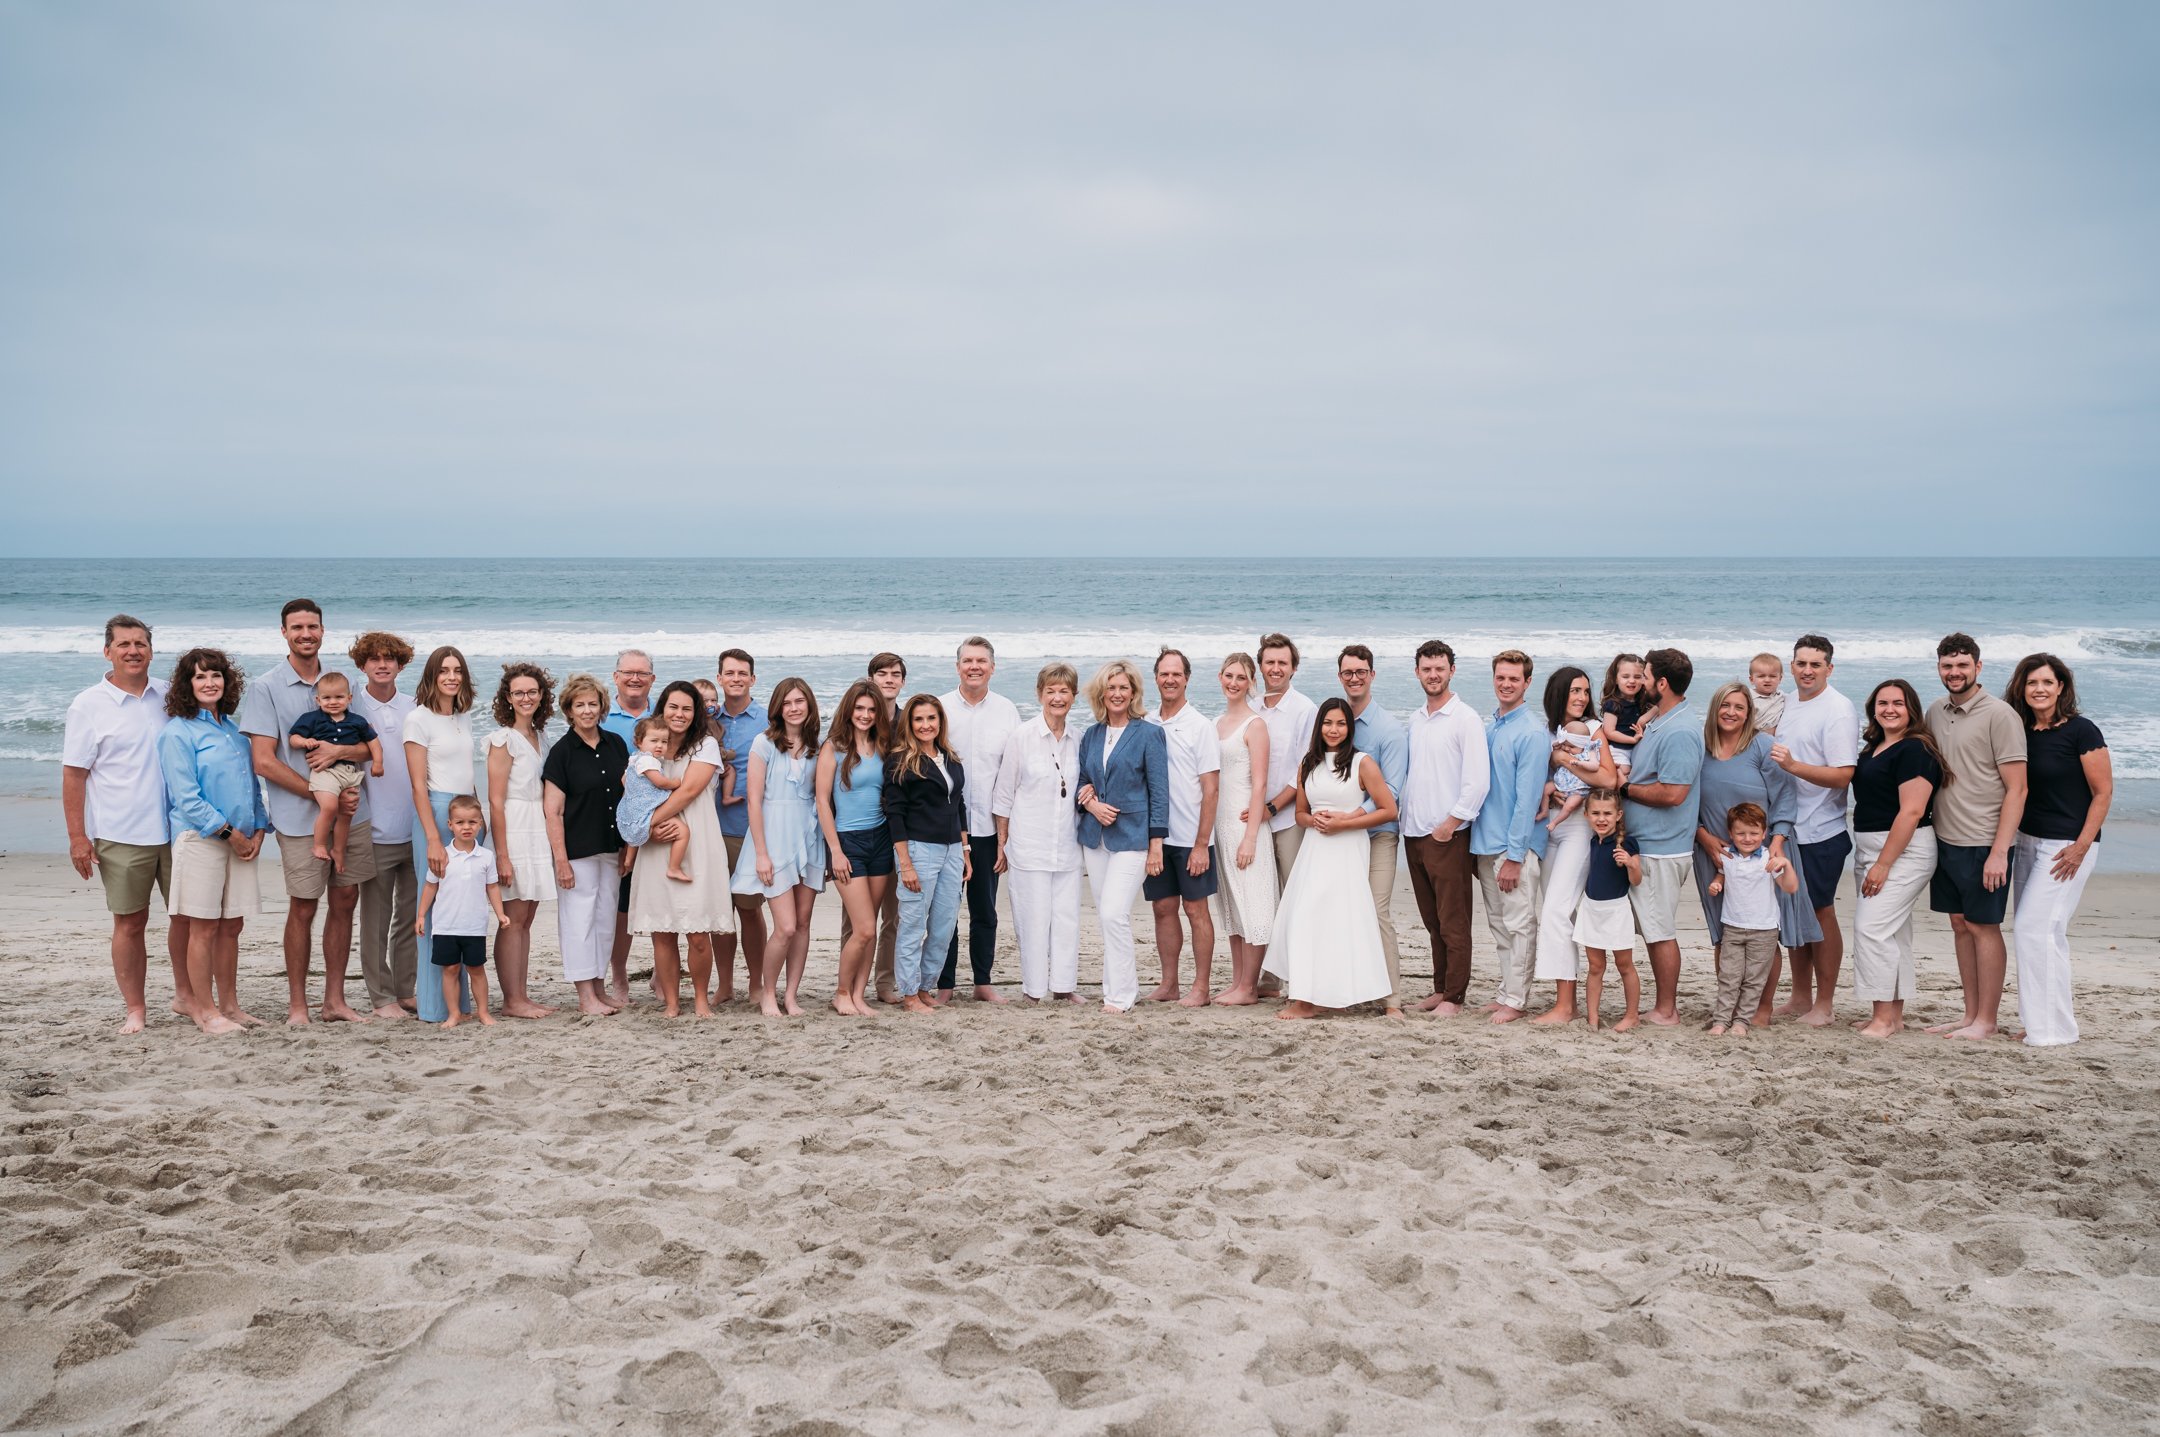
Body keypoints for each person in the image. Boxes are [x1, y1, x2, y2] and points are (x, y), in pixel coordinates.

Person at [237, 599, 375, 1025]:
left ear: (322, 630)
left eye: (312, 626)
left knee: (346, 900)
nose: (305, 634)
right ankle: (298, 1004)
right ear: (284, 633)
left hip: (352, 809)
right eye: (296, 627)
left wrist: (341, 754)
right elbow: (264, 760)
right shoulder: (266, 688)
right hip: (300, 819)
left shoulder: (342, 682)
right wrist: (319, 796)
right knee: (303, 906)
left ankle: (334, 1000)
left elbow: (367, 746)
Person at [62, 614, 189, 1033]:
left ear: (151, 651)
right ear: (107, 652)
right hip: (121, 833)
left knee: (187, 918)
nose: (133, 651)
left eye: (140, 643)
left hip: (177, 829)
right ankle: (136, 1008)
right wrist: (78, 837)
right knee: (130, 922)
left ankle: (185, 996)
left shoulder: (171, 696)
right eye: (124, 644)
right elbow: (75, 774)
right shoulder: (88, 704)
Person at [1693, 680, 1821, 1028]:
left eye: (1739, 707)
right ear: (1714, 708)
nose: (1731, 712)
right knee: (1725, 933)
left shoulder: (1763, 746)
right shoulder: (1700, 748)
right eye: (1725, 705)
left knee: (1766, 933)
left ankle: (1760, 1011)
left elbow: (1785, 796)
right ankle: (1729, 1010)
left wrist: (1777, 843)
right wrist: (1704, 838)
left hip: (1764, 851)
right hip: (1716, 855)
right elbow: (1687, 802)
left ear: (1749, 713)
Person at [1262, 698, 1399, 1019]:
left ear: (1349, 728)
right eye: (1328, 723)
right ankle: (1308, 995)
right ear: (1319, 726)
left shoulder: (1362, 763)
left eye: (1340, 723)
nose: (1333, 729)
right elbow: (1299, 814)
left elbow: (1388, 809)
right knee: (1306, 916)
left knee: (1339, 919)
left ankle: (1320, 998)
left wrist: (1343, 823)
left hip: (1347, 848)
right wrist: (1315, 821)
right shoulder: (1308, 763)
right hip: (1314, 849)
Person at [157, 647, 269, 1034]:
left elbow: (251, 785)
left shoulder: (235, 732)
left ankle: (231, 1006)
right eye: (201, 676)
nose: (210, 683)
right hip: (201, 839)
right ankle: (204, 1011)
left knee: (231, 926)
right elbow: (186, 797)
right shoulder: (177, 731)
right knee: (202, 927)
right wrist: (228, 833)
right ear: (188, 685)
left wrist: (258, 828)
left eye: (216, 675)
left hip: (242, 839)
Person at [1923, 633, 2028, 1040]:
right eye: (1947, 666)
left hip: (1986, 842)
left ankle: (1987, 1019)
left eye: (1962, 666)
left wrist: (2000, 851)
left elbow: (2017, 789)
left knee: (1985, 927)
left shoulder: (2000, 715)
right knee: (1959, 925)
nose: (1954, 673)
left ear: (1978, 668)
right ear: (1939, 669)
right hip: (1945, 838)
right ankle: (1970, 1015)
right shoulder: (1935, 710)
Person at [2006, 653, 2111, 1047]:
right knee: (2041, 934)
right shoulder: (2019, 731)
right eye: (2032, 682)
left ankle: (2052, 1031)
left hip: (2066, 844)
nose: (2039, 689)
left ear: (2061, 687)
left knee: (2036, 930)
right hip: (2027, 840)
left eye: (2047, 682)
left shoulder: (2082, 731)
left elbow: (2103, 793)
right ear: (2022, 688)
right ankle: (2042, 1021)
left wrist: (2081, 847)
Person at [626, 681, 733, 1018]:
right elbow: (629, 787)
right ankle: (672, 1002)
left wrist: (650, 823)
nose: (679, 714)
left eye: (687, 708)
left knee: (699, 932)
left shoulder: (705, 745)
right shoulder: (648, 749)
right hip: (658, 846)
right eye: (673, 707)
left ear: (696, 712)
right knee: (663, 931)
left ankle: (701, 999)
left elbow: (687, 792)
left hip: (696, 840)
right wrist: (649, 831)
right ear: (662, 708)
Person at [1849, 678, 1947, 1039]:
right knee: (1893, 933)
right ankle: (1894, 1015)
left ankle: (1883, 1019)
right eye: (1882, 703)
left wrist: (1883, 864)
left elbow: (1912, 811)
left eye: (1898, 703)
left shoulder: (1915, 750)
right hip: (1870, 847)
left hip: (1905, 850)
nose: (1889, 709)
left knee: (1871, 929)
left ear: (1911, 710)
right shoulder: (1873, 747)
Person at [1768, 635, 1858, 1026]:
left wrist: (1793, 766)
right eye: (1801, 663)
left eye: (1815, 664)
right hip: (1786, 829)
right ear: (1792, 666)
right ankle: (1800, 996)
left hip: (1822, 830)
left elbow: (1842, 776)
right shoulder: (1786, 702)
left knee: (1821, 912)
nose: (1807, 670)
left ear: (1829, 669)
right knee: (1792, 913)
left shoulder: (1839, 709)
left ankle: (1825, 1003)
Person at [1400, 639, 1488, 1015]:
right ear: (1417, 672)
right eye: (1426, 669)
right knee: (1432, 920)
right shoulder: (1416, 719)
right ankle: (1439, 989)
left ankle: (1454, 996)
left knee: (1454, 920)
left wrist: (1450, 824)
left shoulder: (1466, 718)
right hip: (1414, 833)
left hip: (1446, 835)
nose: (1433, 675)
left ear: (1452, 670)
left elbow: (1478, 782)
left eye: (1440, 668)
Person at [1076, 659, 1169, 1013]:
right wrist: (1090, 802)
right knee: (1106, 916)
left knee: (1115, 913)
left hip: (1133, 837)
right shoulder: (1092, 734)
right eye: (1111, 687)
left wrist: (1156, 843)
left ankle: (1122, 995)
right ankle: (1115, 988)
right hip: (1095, 839)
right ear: (1102, 693)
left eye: (1123, 688)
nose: (1117, 693)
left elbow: (1160, 791)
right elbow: (1082, 780)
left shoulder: (1148, 733)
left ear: (1133, 693)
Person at [731, 677, 826, 1016]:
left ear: (809, 705)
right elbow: (753, 802)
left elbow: (823, 798)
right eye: (788, 702)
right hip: (773, 840)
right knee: (784, 926)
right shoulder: (764, 743)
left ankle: (792, 996)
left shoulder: (819, 746)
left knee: (802, 925)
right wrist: (760, 853)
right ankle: (768, 992)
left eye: (800, 701)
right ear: (778, 708)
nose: (794, 707)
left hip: (809, 840)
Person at [994, 663, 1087, 1004]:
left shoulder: (1081, 738)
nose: (1057, 697)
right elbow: (1003, 795)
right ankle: (1033, 990)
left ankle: (1063, 987)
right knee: (1032, 920)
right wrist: (1001, 843)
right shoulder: (1022, 736)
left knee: (1066, 920)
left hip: (1067, 845)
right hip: (1028, 844)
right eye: (1051, 691)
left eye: (1064, 691)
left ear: (1074, 697)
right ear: (1039, 695)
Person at [1622, 648, 1704, 1025]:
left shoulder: (1681, 730)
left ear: (1662, 683)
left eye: (1646, 675)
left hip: (1664, 847)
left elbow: (1674, 794)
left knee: (1659, 930)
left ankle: (1666, 1009)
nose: (1639, 681)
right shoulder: (1662, 718)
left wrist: (1625, 789)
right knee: (1651, 928)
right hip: (1646, 842)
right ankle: (1662, 1006)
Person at [1471, 650, 1554, 1024]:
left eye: (1514, 679)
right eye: (1501, 677)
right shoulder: (1490, 728)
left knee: (1520, 924)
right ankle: (1505, 991)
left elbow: (1526, 800)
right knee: (1499, 925)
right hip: (1486, 842)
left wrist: (1517, 856)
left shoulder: (1532, 733)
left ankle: (1517, 999)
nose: (1506, 684)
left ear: (1528, 683)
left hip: (1513, 847)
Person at [1532, 666, 1618, 1025]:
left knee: (1555, 910)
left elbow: (1609, 778)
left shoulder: (1595, 729)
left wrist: (1564, 759)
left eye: (1585, 691)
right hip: (1550, 828)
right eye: (1574, 691)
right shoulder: (1545, 729)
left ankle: (1565, 1006)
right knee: (1555, 913)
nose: (1581, 697)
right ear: (1558, 695)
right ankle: (1564, 999)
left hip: (1580, 828)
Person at [542, 673, 630, 1016]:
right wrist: (560, 860)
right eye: (580, 705)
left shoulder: (616, 745)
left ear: (602, 706)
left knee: (605, 918)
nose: (588, 710)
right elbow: (553, 811)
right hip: (576, 851)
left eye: (593, 704)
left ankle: (598, 987)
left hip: (610, 847)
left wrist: (627, 847)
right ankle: (584, 996)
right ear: (568, 709)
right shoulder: (562, 753)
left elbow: (628, 798)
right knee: (579, 920)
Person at [401, 644, 480, 1024]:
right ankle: (433, 1006)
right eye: (444, 670)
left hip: (467, 812)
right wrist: (433, 837)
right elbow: (417, 785)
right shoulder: (418, 719)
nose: (451, 676)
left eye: (457, 670)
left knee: (463, 907)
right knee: (433, 907)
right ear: (432, 675)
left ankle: (460, 1005)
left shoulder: (463, 717)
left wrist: (482, 822)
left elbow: (468, 772)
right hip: (435, 811)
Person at [941, 637, 1021, 1004]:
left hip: (989, 829)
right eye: (968, 660)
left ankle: (983, 982)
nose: (975, 666)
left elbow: (1014, 773)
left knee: (984, 910)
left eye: (982, 661)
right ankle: (943, 985)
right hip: (943, 829)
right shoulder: (940, 708)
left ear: (993, 667)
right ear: (957, 666)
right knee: (944, 910)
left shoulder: (1007, 711)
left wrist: (1006, 835)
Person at [1145, 647, 1222, 1006]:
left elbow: (1211, 789)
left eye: (1177, 673)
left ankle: (1202, 988)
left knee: (1196, 910)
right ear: (1156, 678)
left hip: (1192, 838)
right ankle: (1169, 984)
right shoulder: (1145, 723)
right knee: (1163, 908)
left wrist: (1201, 843)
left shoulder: (1200, 726)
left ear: (1187, 678)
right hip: (1157, 838)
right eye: (1164, 673)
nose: (1170, 679)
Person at [885, 693, 970, 1015]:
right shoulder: (899, 760)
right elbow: (894, 814)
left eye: (931, 718)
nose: (925, 725)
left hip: (951, 851)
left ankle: (924, 987)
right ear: (910, 723)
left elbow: (958, 805)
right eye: (918, 719)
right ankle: (908, 994)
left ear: (939, 722)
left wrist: (965, 850)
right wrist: (905, 864)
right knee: (912, 925)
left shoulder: (949, 756)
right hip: (919, 850)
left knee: (944, 926)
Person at [350, 631, 420, 1019]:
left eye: (389, 659)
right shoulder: (351, 706)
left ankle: (404, 989)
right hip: (373, 831)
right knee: (375, 920)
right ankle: (381, 997)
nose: (382, 664)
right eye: (373, 659)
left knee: (409, 918)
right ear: (361, 665)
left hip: (414, 829)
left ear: (401, 664)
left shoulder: (415, 707)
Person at [1337, 644, 1409, 1017]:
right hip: (1339, 838)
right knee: (1342, 912)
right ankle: (1346, 988)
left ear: (1372, 675)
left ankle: (1392, 999)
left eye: (1361, 672)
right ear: (1340, 676)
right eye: (1348, 672)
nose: (1354, 678)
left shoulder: (1389, 730)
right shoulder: (1333, 723)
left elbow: (1392, 795)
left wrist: (1352, 815)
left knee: (1376, 911)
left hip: (1379, 833)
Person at [484, 663, 557, 1019]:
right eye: (518, 693)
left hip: (537, 827)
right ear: (507, 698)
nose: (526, 698)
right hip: (513, 827)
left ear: (541, 695)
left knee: (526, 917)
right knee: (511, 917)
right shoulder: (504, 739)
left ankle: (522, 995)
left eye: (532, 691)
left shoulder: (542, 736)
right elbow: (495, 800)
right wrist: (501, 854)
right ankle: (512, 1000)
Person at [817, 679, 894, 1016]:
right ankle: (841, 992)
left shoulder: (884, 746)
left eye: (871, 709)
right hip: (847, 843)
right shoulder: (833, 747)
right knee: (861, 928)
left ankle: (859, 996)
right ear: (849, 710)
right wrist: (834, 850)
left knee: (872, 925)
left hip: (881, 840)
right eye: (859, 709)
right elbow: (821, 800)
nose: (865, 715)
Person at [1209, 653, 1277, 1006]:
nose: (1234, 682)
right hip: (1220, 827)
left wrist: (1251, 836)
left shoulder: (1256, 725)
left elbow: (1260, 784)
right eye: (1229, 675)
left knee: (1254, 906)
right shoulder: (1217, 724)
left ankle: (1250, 986)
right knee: (1233, 908)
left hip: (1245, 828)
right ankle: (1238, 982)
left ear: (1252, 682)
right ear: (1220, 677)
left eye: (1242, 677)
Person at [1703, 802, 1801, 1037]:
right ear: (1731, 834)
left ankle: (1742, 1022)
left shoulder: (1769, 857)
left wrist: (1786, 864)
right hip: (1733, 927)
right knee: (1729, 977)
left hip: (1764, 929)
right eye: (1741, 833)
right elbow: (1722, 875)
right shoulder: (1727, 856)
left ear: (1764, 833)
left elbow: (1791, 887)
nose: (1748, 838)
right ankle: (1721, 1020)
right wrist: (1717, 884)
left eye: (1754, 833)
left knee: (1754, 980)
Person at [414, 795, 507, 1029]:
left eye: (472, 822)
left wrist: (500, 913)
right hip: (446, 926)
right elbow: (430, 886)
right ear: (450, 825)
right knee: (450, 970)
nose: (466, 827)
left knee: (476, 969)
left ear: (480, 825)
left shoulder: (486, 856)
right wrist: (421, 915)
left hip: (474, 926)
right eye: (460, 823)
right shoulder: (442, 856)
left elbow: (492, 887)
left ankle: (483, 1012)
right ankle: (454, 1013)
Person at [710, 649, 768, 1005]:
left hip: (748, 831)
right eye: (729, 673)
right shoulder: (707, 718)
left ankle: (757, 983)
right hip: (709, 829)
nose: (735, 678)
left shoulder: (766, 719)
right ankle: (725, 984)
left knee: (749, 909)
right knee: (719, 913)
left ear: (752, 679)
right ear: (719, 678)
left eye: (742, 673)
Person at [600, 649, 657, 1007]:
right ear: (616, 676)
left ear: (653, 678)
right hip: (615, 823)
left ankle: (661, 976)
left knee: (661, 901)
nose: (635, 678)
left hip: (659, 821)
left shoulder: (664, 715)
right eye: (628, 672)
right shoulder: (602, 716)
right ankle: (619, 977)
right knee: (621, 908)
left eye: (642, 673)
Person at [286, 672, 383, 876]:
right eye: (327, 698)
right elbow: (293, 738)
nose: (333, 702)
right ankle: (319, 845)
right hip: (325, 772)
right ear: (318, 700)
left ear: (349, 698)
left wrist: (378, 763)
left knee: (346, 815)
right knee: (329, 807)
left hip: (349, 772)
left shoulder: (357, 721)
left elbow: (373, 741)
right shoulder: (312, 719)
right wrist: (304, 742)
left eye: (339, 697)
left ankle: (338, 849)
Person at [860, 651, 910, 1001]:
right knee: (859, 917)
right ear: (871, 679)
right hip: (862, 827)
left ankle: (884, 983)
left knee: (894, 914)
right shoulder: (860, 719)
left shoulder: (910, 721)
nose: (889, 679)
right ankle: (850, 984)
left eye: (895, 674)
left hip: (901, 828)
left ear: (903, 681)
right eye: (882, 673)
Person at [1254, 634, 1319, 893]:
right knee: (1261, 895)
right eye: (1270, 662)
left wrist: (1272, 807)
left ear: (1294, 668)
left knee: (1293, 892)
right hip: (1253, 819)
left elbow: (1306, 768)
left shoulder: (1305, 709)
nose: (1276, 669)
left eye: (1283, 662)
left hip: (1288, 819)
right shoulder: (1252, 707)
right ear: (1260, 666)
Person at [1574, 789, 1641, 1031]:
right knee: (1595, 967)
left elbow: (1636, 880)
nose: (1601, 819)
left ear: (1618, 815)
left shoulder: (1626, 843)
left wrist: (1631, 863)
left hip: (1616, 911)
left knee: (1624, 965)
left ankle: (1632, 1015)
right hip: (1591, 909)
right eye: (1596, 813)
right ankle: (1592, 1017)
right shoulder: (1593, 841)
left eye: (1607, 814)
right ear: (1586, 815)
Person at [620, 718, 695, 876]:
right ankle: (674, 867)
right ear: (638, 742)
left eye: (664, 741)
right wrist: (675, 783)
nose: (660, 745)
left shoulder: (634, 759)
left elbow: (624, 780)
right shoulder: (649, 761)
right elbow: (659, 782)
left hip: (632, 807)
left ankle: (628, 860)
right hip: (647, 807)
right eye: (654, 740)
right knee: (683, 832)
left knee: (634, 833)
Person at [1600, 653, 1648, 770]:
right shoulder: (1613, 704)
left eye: (1637, 677)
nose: (1632, 681)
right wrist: (1632, 740)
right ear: (1616, 679)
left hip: (1634, 749)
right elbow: (1609, 732)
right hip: (1617, 749)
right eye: (1625, 676)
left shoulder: (1642, 702)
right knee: (1625, 771)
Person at [1749, 653, 1788, 733]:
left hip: (1777, 740)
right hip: (1754, 738)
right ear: (1752, 679)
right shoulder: (1748, 698)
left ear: (1780, 678)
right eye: (1761, 676)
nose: (1767, 680)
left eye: (1772, 676)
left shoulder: (1782, 696)